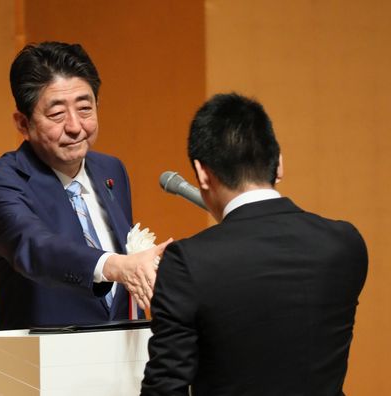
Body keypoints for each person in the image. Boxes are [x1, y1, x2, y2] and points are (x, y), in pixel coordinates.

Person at [0, 41, 169, 396]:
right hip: (33, 377)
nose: (76, 126)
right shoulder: (1, 182)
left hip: (113, 375)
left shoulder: (111, 170)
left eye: (85, 108)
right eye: (56, 114)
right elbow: (35, 246)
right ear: (23, 122)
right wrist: (114, 266)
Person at [140, 93, 367, 395]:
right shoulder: (345, 243)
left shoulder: (187, 263)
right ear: (279, 164)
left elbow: (165, 388)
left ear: (202, 174)